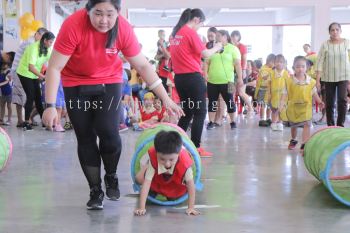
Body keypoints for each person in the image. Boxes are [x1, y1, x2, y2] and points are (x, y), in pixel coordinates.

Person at [42, 0, 182, 210]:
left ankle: (111, 174)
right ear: (88, 10)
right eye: (98, 13)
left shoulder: (123, 28)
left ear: (118, 12)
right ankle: (95, 189)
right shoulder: (73, 25)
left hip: (109, 81)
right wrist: (50, 104)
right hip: (75, 82)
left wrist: (166, 98)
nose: (104, 20)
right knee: (85, 136)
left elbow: (142, 65)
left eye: (110, 14)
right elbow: (54, 67)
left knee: (109, 132)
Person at [169, 8, 229, 157]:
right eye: (200, 24)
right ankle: (195, 147)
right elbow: (206, 54)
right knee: (200, 112)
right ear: (196, 20)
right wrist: (218, 46)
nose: (199, 27)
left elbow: (190, 53)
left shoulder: (175, 34)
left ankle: (176, 145)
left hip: (180, 79)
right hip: (193, 78)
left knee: (187, 113)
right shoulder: (190, 32)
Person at [134, 130, 200, 216]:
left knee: (173, 198)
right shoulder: (154, 157)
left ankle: (163, 190)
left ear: (179, 152)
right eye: (162, 159)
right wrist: (141, 207)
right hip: (158, 179)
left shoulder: (185, 163)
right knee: (139, 179)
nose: (167, 163)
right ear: (157, 153)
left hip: (174, 183)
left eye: (171, 159)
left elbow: (191, 186)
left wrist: (191, 207)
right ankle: (147, 167)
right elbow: (146, 183)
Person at [280, 56, 324, 150]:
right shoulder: (289, 81)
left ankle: (305, 142)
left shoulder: (311, 82)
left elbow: (314, 93)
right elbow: (284, 93)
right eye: (298, 66)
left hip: (306, 107)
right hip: (293, 108)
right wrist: (282, 103)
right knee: (294, 126)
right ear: (293, 68)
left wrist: (319, 102)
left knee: (307, 124)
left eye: (303, 66)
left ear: (307, 68)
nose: (300, 69)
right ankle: (294, 139)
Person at [9, 27, 48, 128]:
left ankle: (29, 118)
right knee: (21, 96)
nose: (43, 40)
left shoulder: (37, 44)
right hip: (19, 72)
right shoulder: (30, 44)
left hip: (29, 73)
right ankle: (21, 120)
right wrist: (40, 75)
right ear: (37, 34)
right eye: (43, 37)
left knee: (34, 96)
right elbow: (31, 62)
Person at [16, 31, 55, 131]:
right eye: (50, 42)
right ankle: (26, 122)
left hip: (34, 74)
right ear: (45, 40)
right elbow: (30, 67)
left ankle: (44, 121)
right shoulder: (33, 48)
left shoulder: (48, 48)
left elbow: (52, 63)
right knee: (31, 96)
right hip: (24, 72)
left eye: (52, 42)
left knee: (38, 97)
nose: (51, 44)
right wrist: (43, 77)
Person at [206, 30, 243, 130]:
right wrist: (205, 74)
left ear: (225, 37)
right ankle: (211, 122)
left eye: (218, 36)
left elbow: (237, 65)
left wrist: (240, 78)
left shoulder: (233, 49)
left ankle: (233, 121)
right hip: (212, 81)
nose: (216, 37)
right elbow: (206, 63)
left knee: (230, 101)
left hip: (229, 82)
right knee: (212, 103)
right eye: (216, 36)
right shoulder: (212, 48)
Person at [316, 22, 350, 127]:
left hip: (343, 76)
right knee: (329, 102)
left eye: (337, 30)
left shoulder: (347, 43)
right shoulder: (325, 45)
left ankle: (340, 124)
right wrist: (317, 80)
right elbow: (320, 62)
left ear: (340, 31)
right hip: (328, 77)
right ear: (329, 32)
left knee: (342, 100)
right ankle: (330, 125)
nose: (335, 32)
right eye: (332, 30)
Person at [231, 30, 254, 115]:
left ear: (239, 37)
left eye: (236, 36)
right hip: (230, 72)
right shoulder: (229, 46)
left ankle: (251, 108)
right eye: (232, 36)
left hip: (241, 71)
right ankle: (231, 111)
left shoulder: (242, 46)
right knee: (231, 93)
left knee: (241, 92)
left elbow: (244, 59)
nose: (234, 37)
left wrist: (244, 71)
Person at [269, 54, 289, 131]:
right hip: (274, 95)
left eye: (281, 62)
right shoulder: (271, 73)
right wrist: (269, 93)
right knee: (274, 110)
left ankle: (280, 123)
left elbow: (288, 84)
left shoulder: (286, 73)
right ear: (274, 62)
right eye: (277, 62)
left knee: (281, 110)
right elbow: (269, 83)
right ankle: (273, 123)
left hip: (283, 96)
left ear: (284, 63)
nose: (279, 63)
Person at [255, 54, 275, 127]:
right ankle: (262, 119)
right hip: (262, 89)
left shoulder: (271, 69)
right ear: (269, 61)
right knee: (263, 105)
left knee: (269, 105)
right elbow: (264, 78)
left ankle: (268, 118)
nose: (274, 64)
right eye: (273, 62)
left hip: (269, 90)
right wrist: (272, 72)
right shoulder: (263, 69)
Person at [0, 51, 15, 125]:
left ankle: (9, 120)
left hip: (9, 92)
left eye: (5, 64)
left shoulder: (8, 71)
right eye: (3, 64)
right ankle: (1, 119)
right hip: (3, 93)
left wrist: (1, 84)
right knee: (2, 106)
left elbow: (9, 80)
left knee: (9, 106)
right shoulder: (1, 72)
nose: (4, 66)